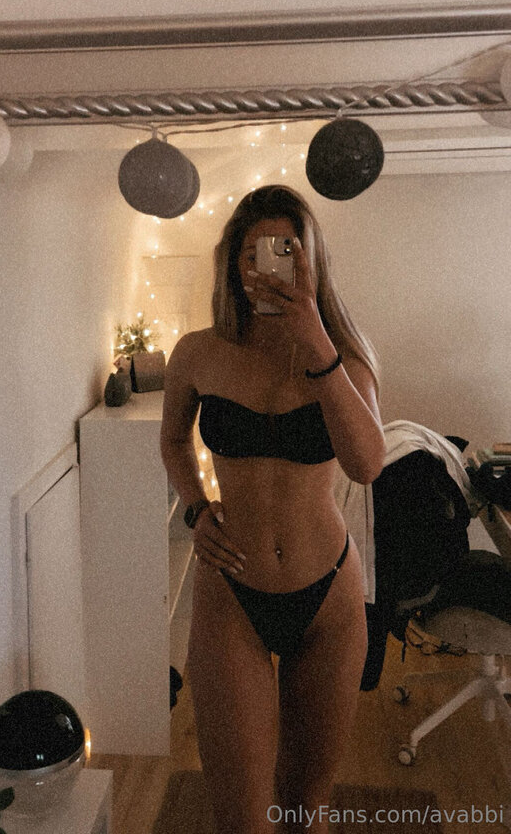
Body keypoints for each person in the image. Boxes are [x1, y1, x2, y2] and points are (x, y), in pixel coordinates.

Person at [160, 185, 385, 834]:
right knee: (242, 820)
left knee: (305, 809)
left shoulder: (346, 361)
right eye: (253, 252)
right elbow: (173, 441)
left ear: (311, 260)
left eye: (286, 250)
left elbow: (367, 465)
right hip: (231, 595)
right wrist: (195, 510)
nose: (268, 266)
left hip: (328, 597)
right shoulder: (198, 353)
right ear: (233, 263)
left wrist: (316, 345)